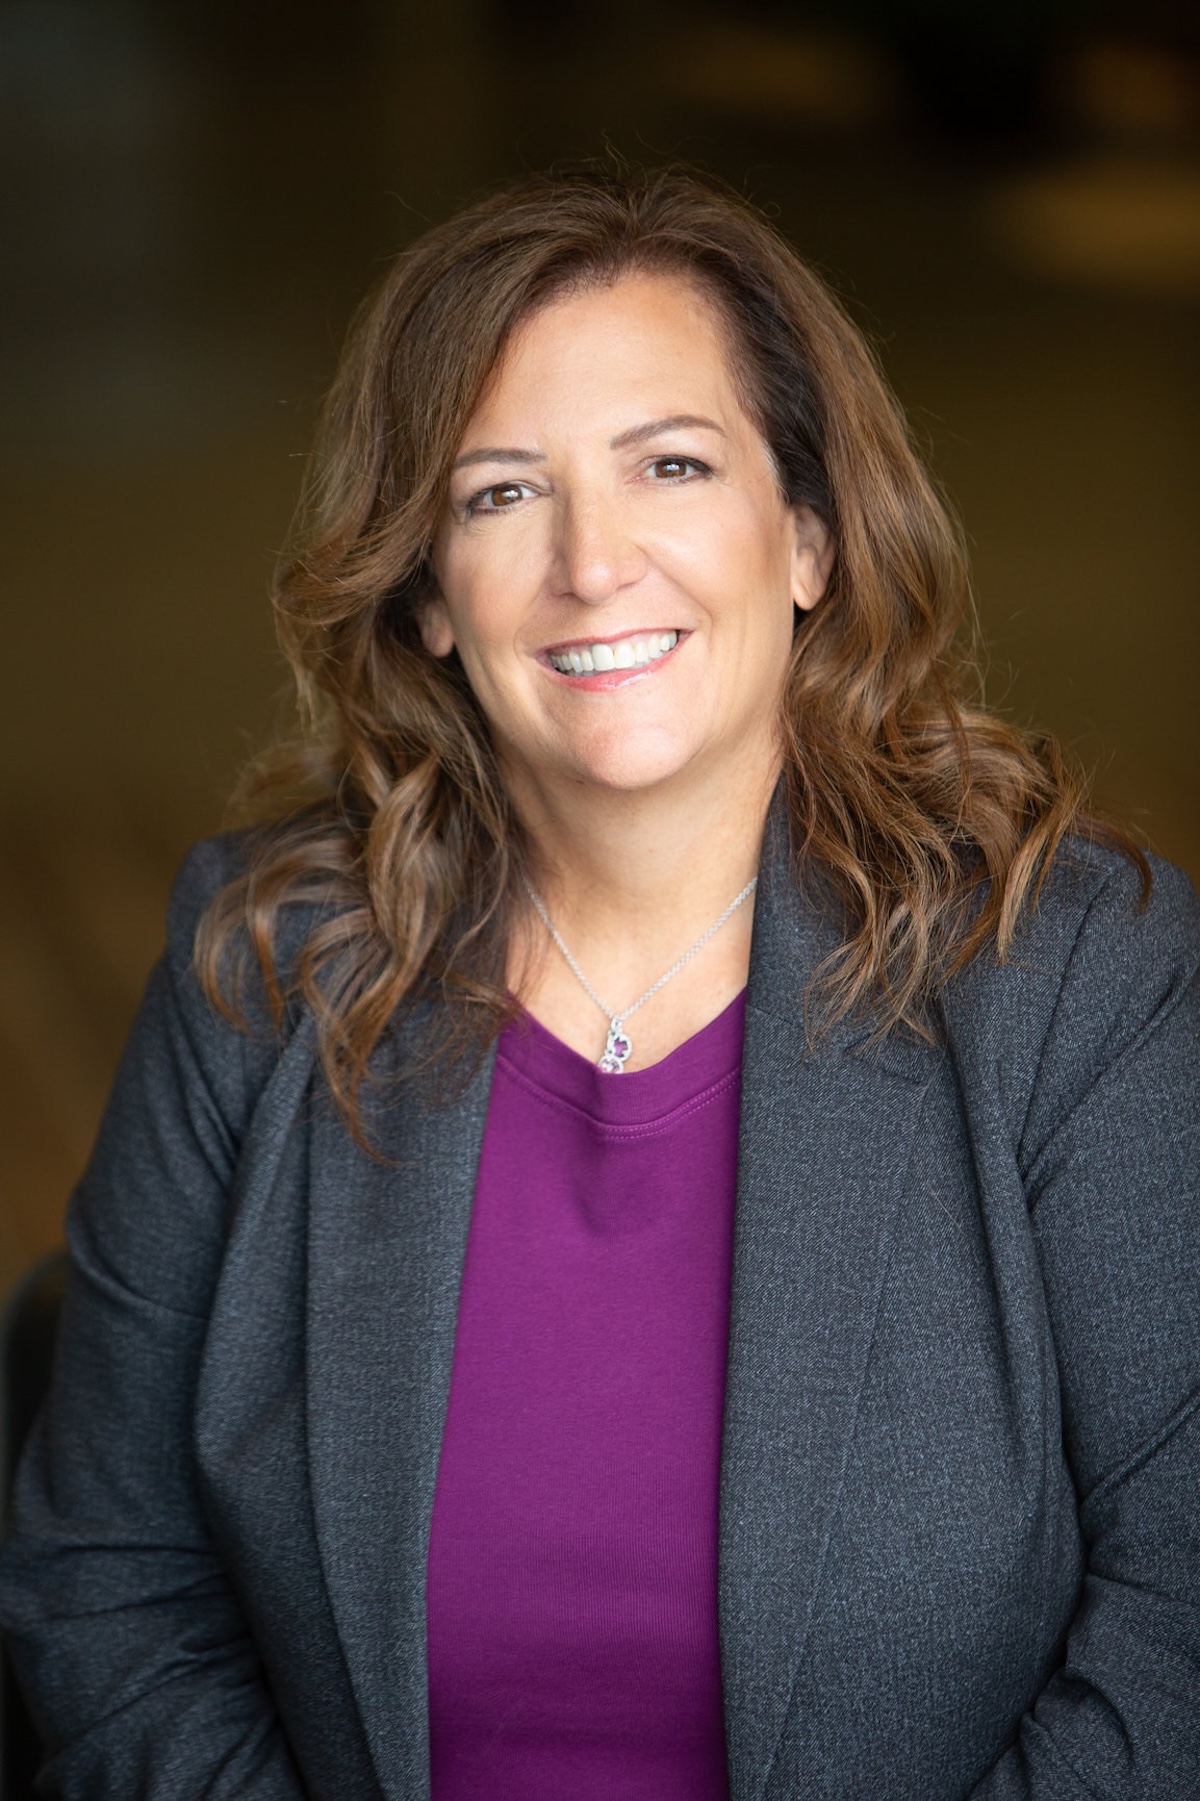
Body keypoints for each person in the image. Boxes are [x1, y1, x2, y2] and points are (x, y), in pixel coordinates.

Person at [1, 164, 1197, 1801]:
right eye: (501, 494)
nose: (592, 560)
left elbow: (1179, 1624)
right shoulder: (265, 968)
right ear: (423, 594)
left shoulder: (1071, 976)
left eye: (674, 465)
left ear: (811, 536)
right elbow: (103, 1584)